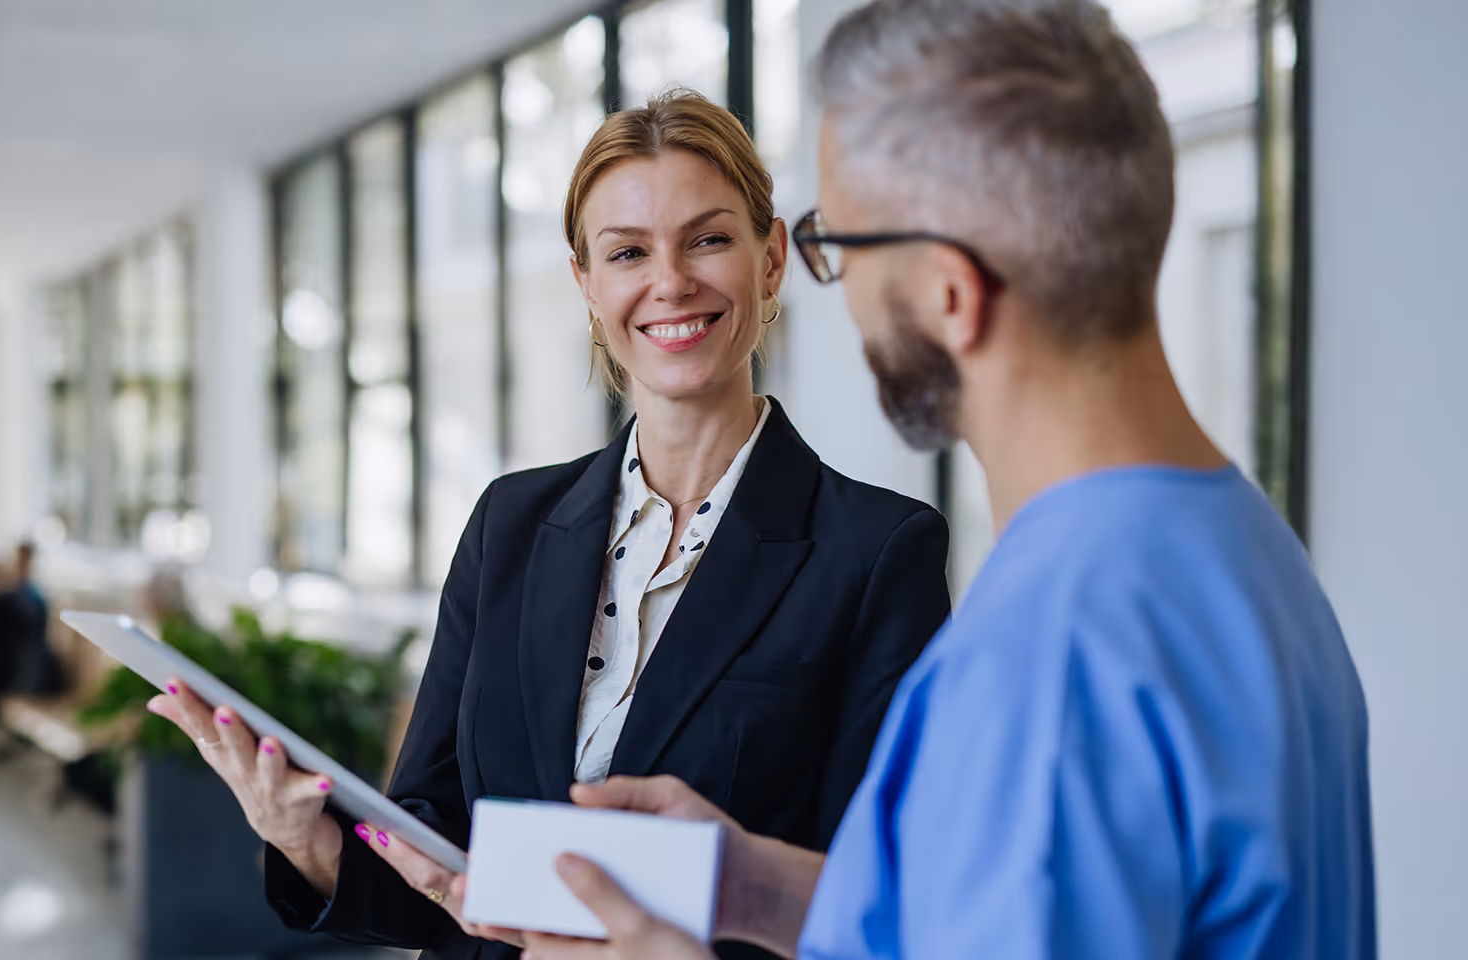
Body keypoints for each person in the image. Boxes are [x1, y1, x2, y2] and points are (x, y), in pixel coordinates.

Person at [521, 2, 1375, 958]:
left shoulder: (1048, 657)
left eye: (835, 243)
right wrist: (761, 889)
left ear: (947, 292)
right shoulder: (1238, 550)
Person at [148, 90, 954, 960]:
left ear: (769, 261)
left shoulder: (877, 552)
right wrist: (305, 841)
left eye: (708, 239)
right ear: (586, 283)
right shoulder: (511, 523)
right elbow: (434, 852)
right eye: (627, 252)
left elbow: (873, 902)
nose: (669, 281)